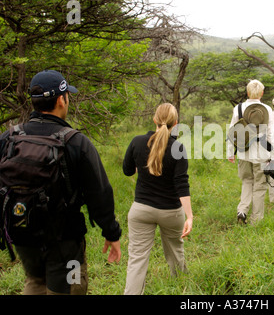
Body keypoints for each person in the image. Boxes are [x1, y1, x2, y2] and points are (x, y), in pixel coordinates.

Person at [0, 70, 122, 295]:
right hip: (66, 243)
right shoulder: (76, 142)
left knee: (35, 281)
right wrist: (111, 233)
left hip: (22, 236)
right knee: (72, 286)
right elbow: (100, 193)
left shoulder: (9, 138)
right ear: (60, 99)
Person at [123, 103, 193, 295]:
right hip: (170, 212)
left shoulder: (137, 141)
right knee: (176, 253)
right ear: (175, 124)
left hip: (140, 210)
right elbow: (181, 185)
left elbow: (127, 170)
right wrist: (189, 216)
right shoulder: (178, 148)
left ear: (154, 120)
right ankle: (183, 290)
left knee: (137, 259)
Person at [227, 80, 274, 225]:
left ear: (248, 92)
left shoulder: (238, 108)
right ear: (261, 93)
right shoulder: (267, 109)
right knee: (260, 186)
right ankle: (256, 220)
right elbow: (271, 134)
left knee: (246, 181)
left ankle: (242, 210)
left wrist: (230, 152)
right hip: (262, 154)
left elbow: (232, 131)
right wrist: (273, 157)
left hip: (243, 152)